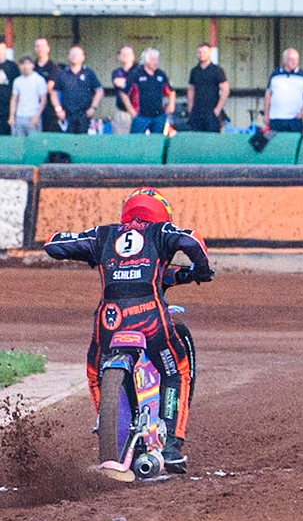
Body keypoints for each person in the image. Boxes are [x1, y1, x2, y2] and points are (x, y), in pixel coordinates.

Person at [43, 187, 213, 474]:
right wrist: (202, 269)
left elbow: (52, 244)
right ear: (160, 213)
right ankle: (171, 446)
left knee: (95, 373)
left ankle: (107, 427)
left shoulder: (103, 235)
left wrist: (88, 253)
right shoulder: (161, 232)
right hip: (149, 318)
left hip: (111, 321)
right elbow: (192, 239)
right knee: (177, 371)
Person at [50, 44, 103, 134]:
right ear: (68, 57)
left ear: (83, 57)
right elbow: (54, 93)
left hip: (84, 114)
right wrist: (58, 109)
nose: (74, 56)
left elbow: (99, 91)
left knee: (83, 143)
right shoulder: (62, 74)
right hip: (67, 115)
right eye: (72, 54)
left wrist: (93, 108)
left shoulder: (89, 73)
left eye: (77, 54)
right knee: (68, 143)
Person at [127, 48, 176, 135]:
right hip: (141, 116)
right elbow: (123, 93)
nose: (156, 62)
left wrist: (171, 105)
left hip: (158, 116)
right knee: (135, 141)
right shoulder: (136, 74)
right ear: (146, 61)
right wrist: (131, 111)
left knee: (157, 141)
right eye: (153, 60)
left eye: (157, 59)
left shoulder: (161, 74)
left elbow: (170, 91)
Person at [264, 49, 303, 134]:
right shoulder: (275, 74)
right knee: (276, 144)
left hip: (294, 119)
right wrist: (266, 114)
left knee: (294, 144)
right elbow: (268, 95)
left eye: (296, 59)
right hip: (276, 118)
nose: (294, 62)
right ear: (284, 60)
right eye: (291, 59)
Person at [184, 43, 228, 133]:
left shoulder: (217, 70)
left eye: (204, 52)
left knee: (212, 140)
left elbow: (225, 90)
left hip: (211, 112)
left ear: (209, 53)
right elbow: (191, 89)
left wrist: (218, 109)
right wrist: (190, 108)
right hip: (197, 112)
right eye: (199, 52)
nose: (202, 55)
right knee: (197, 138)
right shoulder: (194, 71)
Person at [9, 56, 47, 138]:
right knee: (18, 145)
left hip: (33, 116)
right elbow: (14, 99)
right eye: (22, 64)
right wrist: (12, 116)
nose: (25, 66)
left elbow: (43, 100)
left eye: (28, 64)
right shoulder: (17, 81)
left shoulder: (39, 80)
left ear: (32, 65)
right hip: (19, 117)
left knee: (34, 144)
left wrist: (36, 116)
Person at [109, 45, 137, 136]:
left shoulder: (140, 70)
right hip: (122, 113)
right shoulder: (116, 72)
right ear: (119, 57)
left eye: (128, 54)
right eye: (123, 54)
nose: (125, 56)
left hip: (139, 113)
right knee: (120, 141)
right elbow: (118, 82)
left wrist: (127, 82)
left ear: (133, 56)